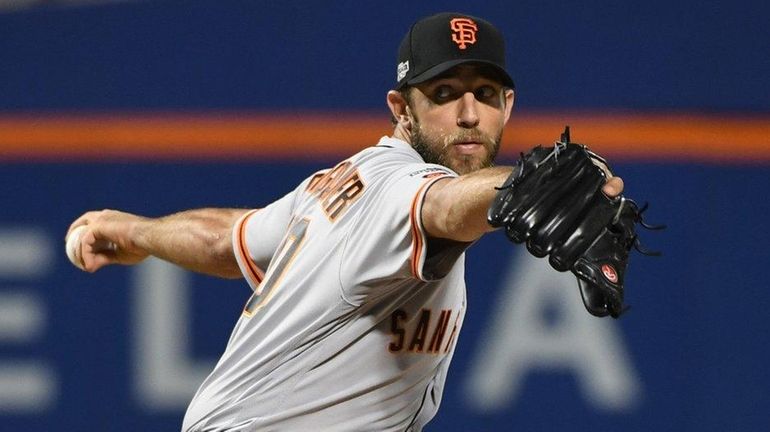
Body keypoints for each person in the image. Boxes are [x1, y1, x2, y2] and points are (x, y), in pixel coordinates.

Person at [67, 12, 624, 431]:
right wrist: (524, 182)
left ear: (508, 104)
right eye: (444, 93)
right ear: (401, 109)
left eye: (484, 94)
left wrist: (136, 232)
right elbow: (443, 206)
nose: (469, 113)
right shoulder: (392, 185)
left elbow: (227, 239)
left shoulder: (334, 188)